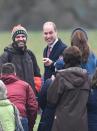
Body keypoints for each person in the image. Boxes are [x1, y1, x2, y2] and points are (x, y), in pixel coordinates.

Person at [47, 46, 91, 131]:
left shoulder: (60, 77)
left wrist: (51, 83)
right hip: (81, 125)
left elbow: (51, 99)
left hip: (62, 123)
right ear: (79, 59)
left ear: (65, 60)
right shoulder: (87, 78)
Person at [0, 24, 41, 94]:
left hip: (31, 95)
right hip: (15, 97)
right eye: (18, 37)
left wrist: (35, 90)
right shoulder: (6, 56)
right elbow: (2, 79)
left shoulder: (30, 54)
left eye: (23, 36)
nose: (21, 39)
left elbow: (37, 75)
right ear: (13, 39)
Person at [0, 63, 38, 131]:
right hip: (21, 118)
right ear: (15, 73)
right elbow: (33, 107)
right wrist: (30, 125)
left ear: (1, 74)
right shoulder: (25, 85)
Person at [37, 60, 64, 131]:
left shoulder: (49, 82)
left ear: (55, 69)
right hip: (63, 116)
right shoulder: (69, 83)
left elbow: (40, 100)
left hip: (49, 116)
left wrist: (47, 108)